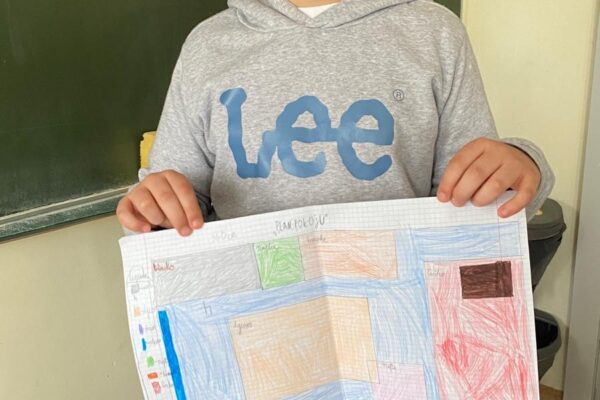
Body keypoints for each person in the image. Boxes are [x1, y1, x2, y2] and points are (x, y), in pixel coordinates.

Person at [117, 0, 554, 237]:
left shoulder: (433, 32)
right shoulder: (208, 45)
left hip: (399, 314)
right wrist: (153, 207)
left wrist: (522, 162)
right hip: (254, 316)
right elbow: (173, 200)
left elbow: (480, 191)